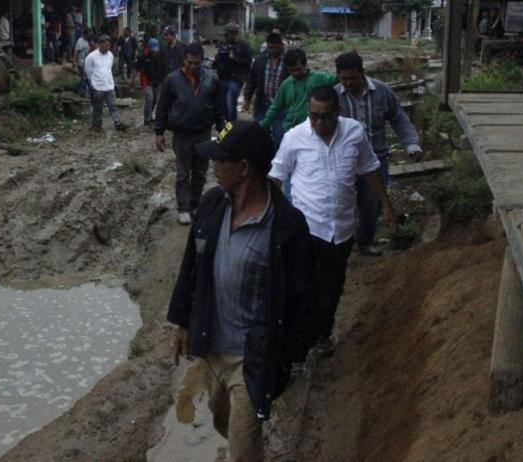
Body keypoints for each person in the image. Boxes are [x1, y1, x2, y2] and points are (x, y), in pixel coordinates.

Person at [168, 120, 319, 461]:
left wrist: (286, 356)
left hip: (253, 360)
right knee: (223, 421)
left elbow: (305, 297)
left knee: (242, 448)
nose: (213, 167)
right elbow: (191, 266)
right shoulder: (212, 205)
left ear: (244, 168)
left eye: (221, 160)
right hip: (212, 348)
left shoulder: (286, 226)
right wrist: (182, 322)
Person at [269, 85, 397, 357]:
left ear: (337, 112)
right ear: (308, 112)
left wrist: (386, 204)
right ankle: (297, 340)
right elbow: (276, 177)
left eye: (326, 116)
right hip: (307, 227)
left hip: (342, 228)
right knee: (304, 285)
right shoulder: (294, 138)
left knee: (333, 285)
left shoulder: (354, 133)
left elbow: (369, 168)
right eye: (314, 116)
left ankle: (323, 333)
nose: (319, 122)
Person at [335, 51, 422, 257]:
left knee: (371, 202)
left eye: (352, 78)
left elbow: (398, 118)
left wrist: (411, 144)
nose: (348, 83)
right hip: (344, 160)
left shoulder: (381, 92)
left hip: (376, 158)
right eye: (343, 79)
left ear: (362, 72)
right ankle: (341, 243)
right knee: (341, 203)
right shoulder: (334, 96)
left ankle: (365, 242)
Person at [155, 43, 226, 225]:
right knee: (183, 173)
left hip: (203, 133)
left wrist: (224, 132)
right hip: (182, 134)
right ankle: (183, 208)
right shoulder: (172, 80)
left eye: (197, 63)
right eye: (190, 62)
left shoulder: (211, 79)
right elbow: (162, 107)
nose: (193, 66)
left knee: (200, 172)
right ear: (184, 60)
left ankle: (195, 204)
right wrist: (159, 132)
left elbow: (219, 109)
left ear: (202, 61)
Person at [258, 48, 337, 133]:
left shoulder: (319, 78)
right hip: (290, 128)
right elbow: (275, 107)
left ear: (305, 65)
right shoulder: (286, 85)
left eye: (298, 69)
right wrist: (262, 125)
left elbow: (339, 80)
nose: (295, 73)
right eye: (291, 70)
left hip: (312, 128)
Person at [243, 32, 288, 147]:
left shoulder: (288, 61)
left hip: (281, 107)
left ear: (281, 46)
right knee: (260, 136)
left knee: (280, 137)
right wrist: (247, 98)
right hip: (262, 104)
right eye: (269, 47)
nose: (272, 50)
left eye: (275, 48)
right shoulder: (260, 60)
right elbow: (252, 80)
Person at [85, 35, 127, 132]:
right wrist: (92, 84)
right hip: (97, 86)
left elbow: (109, 68)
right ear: (100, 45)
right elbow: (88, 72)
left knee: (113, 106)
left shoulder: (110, 55)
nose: (108, 48)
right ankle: (97, 125)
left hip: (109, 85)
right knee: (98, 107)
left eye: (109, 45)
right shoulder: (91, 57)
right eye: (106, 45)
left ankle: (118, 123)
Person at [214, 23, 252, 121]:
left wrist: (234, 59)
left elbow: (248, 63)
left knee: (230, 104)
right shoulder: (223, 45)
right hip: (223, 77)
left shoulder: (243, 46)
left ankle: (232, 125)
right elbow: (217, 62)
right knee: (222, 105)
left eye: (227, 35)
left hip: (236, 79)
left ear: (233, 34)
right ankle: (226, 125)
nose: (225, 37)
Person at [133, 38, 164, 126]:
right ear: (149, 48)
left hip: (156, 81)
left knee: (154, 99)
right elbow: (136, 69)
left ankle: (149, 115)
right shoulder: (142, 57)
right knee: (149, 97)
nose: (155, 52)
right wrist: (132, 81)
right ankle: (147, 119)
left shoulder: (160, 56)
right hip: (146, 81)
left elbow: (163, 68)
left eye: (156, 51)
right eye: (153, 51)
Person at [75, 30, 92, 96]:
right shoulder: (80, 41)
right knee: (84, 77)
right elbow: (76, 51)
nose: (90, 36)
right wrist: (74, 61)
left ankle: (78, 88)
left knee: (84, 77)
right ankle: (81, 91)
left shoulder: (87, 42)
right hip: (80, 62)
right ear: (86, 34)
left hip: (85, 62)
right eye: (89, 34)